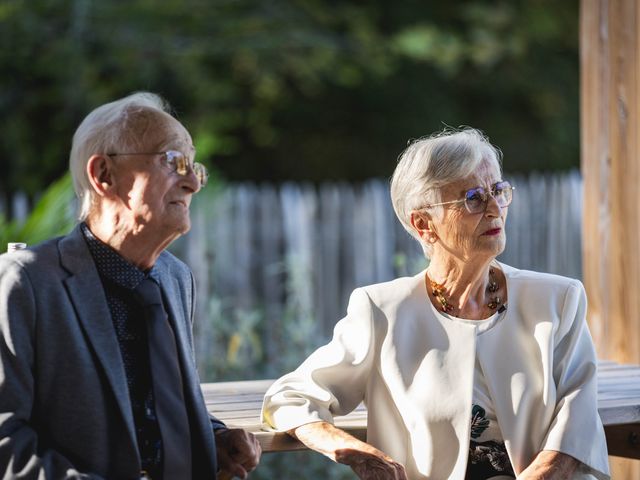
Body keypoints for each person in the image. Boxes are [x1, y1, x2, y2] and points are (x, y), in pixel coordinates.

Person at [261, 128, 610, 480]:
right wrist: (353, 451)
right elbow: (291, 397)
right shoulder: (383, 311)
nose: (494, 209)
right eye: (473, 198)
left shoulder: (557, 300)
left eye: (499, 191)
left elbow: (577, 409)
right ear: (424, 224)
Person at [0, 92, 261, 479]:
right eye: (174, 161)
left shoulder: (175, 278)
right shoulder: (25, 283)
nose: (192, 182)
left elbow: (150, 408)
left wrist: (211, 438)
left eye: (194, 166)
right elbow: (6, 443)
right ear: (104, 175)